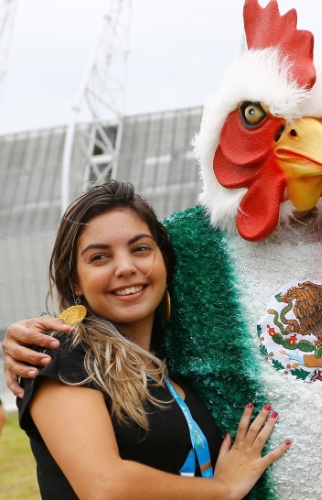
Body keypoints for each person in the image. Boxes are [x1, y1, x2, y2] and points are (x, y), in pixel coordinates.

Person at [15, 180, 289, 499]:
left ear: (163, 260)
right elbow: (104, 487)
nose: (126, 267)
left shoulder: (171, 361)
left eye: (140, 249)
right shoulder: (62, 354)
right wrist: (223, 488)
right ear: (75, 280)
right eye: (100, 257)